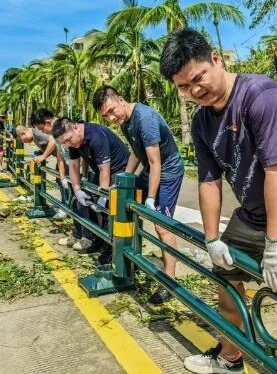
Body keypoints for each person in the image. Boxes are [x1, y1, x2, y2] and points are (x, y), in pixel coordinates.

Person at [159, 28, 277, 374]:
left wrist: (274, 244)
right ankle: (231, 356)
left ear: (216, 61)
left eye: (198, 78)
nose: (194, 91)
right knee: (226, 277)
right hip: (252, 213)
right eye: (184, 87)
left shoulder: (261, 96)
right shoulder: (202, 119)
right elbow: (209, 181)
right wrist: (212, 239)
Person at [93, 86, 185, 305]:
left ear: (122, 100)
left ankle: (170, 282)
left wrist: (151, 198)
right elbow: (136, 151)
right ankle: (130, 257)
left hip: (168, 172)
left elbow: (156, 163)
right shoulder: (125, 122)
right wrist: (126, 177)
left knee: (162, 226)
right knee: (124, 204)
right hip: (149, 170)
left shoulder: (145, 119)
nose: (111, 118)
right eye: (106, 116)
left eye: (112, 111)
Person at [51, 118, 130, 264]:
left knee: (108, 211)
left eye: (69, 139)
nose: (70, 144)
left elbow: (104, 170)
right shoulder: (73, 140)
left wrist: (103, 195)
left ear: (75, 127)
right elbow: (74, 165)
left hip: (118, 171)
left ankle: (111, 251)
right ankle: (97, 241)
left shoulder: (95, 136)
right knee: (90, 206)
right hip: (101, 172)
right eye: (65, 142)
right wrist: (76, 189)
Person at [29, 109, 92, 251]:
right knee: (73, 204)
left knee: (84, 206)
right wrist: (62, 176)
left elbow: (82, 155)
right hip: (71, 173)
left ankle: (88, 238)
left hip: (81, 171)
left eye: (42, 129)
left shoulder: (65, 129)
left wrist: (84, 176)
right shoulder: (56, 135)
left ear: (48, 122)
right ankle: (76, 234)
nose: (43, 133)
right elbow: (60, 154)